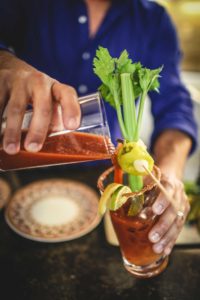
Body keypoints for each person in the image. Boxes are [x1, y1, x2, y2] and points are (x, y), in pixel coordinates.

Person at [0, 0, 197, 256]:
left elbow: (175, 107)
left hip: (104, 182)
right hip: (23, 172)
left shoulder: (155, 20)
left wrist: (169, 173)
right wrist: (5, 62)